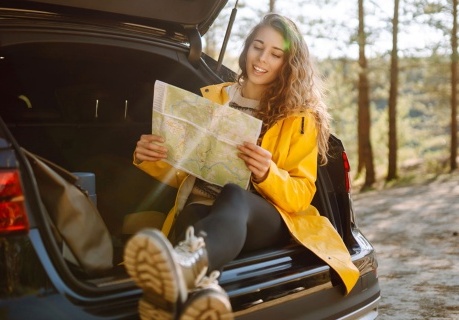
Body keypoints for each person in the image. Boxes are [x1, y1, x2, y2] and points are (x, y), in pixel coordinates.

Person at [124, 13, 360, 320]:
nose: (262, 59)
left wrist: (267, 173)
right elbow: (187, 171)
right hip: (206, 210)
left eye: (276, 54)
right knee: (195, 211)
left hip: (265, 217)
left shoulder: (299, 118)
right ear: (246, 48)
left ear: (288, 64)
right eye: (257, 47)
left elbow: (301, 194)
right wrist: (153, 157)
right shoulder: (214, 98)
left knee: (234, 195)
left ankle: (182, 282)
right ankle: (194, 297)